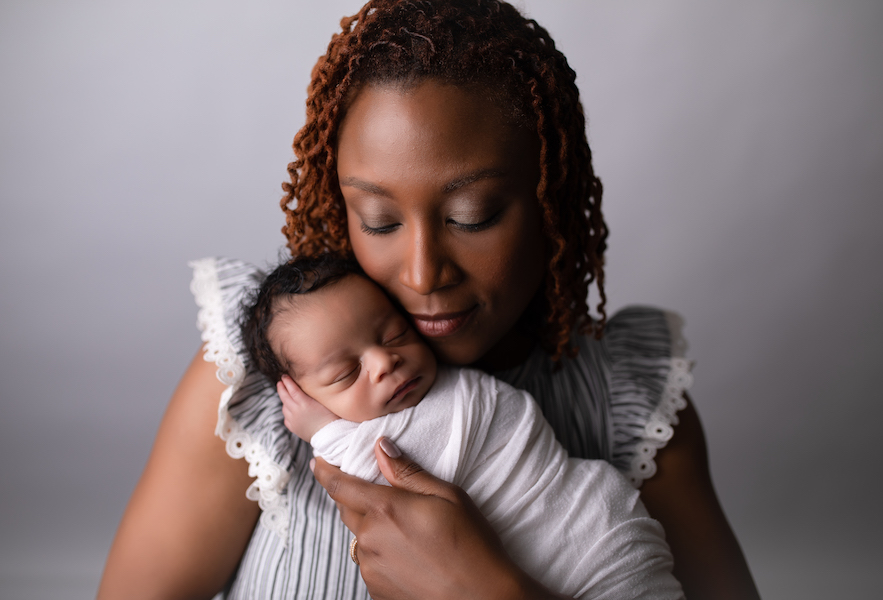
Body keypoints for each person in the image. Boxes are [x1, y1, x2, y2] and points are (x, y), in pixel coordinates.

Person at [97, 1, 760, 599]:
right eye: (380, 221)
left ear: (549, 206)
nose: (422, 272)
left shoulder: (631, 412)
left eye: (472, 217)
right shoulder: (265, 383)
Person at [240, 253, 684, 600]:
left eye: (395, 335)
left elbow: (378, 480)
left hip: (591, 533)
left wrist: (323, 432)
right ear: (295, 393)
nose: (383, 361)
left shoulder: (455, 399)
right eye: (344, 373)